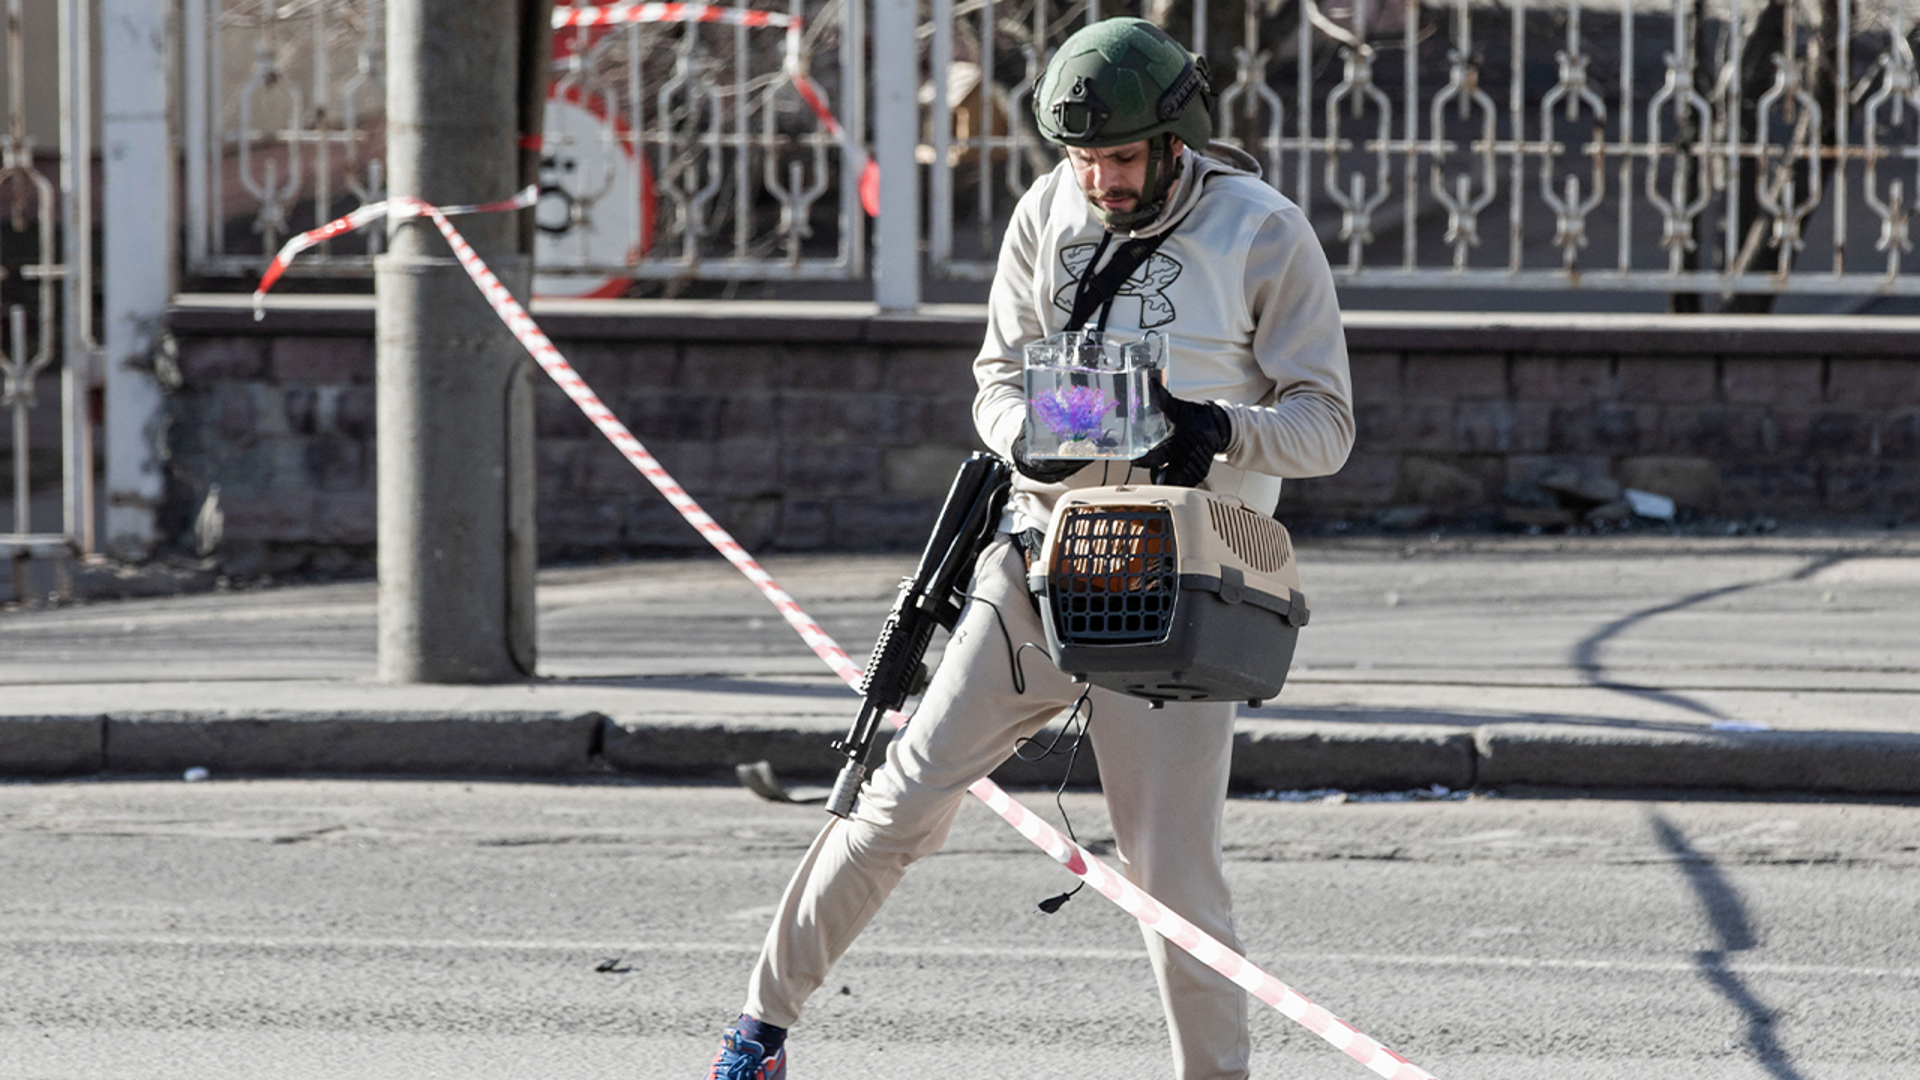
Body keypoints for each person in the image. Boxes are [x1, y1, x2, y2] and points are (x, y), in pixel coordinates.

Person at [706, 16, 1353, 1080]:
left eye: (1122, 157)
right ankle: (757, 1033)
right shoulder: (1046, 209)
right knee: (899, 797)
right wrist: (1029, 442)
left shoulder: (1263, 231)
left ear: (1178, 137)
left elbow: (1326, 425)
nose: (1100, 179)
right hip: (1043, 553)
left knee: (1171, 877)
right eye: (1083, 158)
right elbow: (996, 378)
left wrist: (1215, 428)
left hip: (1180, 580)